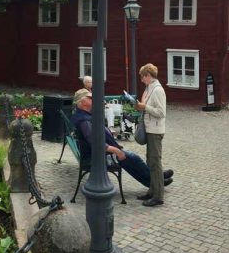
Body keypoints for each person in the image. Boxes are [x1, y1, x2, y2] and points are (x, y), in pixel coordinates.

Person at [70, 88, 172, 196]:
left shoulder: (83, 115)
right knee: (132, 158)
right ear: (83, 102)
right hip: (96, 157)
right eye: (90, 98)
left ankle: (156, 179)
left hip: (95, 153)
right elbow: (95, 143)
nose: (93, 100)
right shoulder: (84, 121)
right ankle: (156, 181)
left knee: (132, 159)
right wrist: (117, 151)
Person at [136, 63, 168, 206]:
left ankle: (158, 196)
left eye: (143, 77)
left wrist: (145, 107)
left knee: (155, 162)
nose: (142, 80)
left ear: (148, 76)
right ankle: (152, 191)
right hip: (150, 129)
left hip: (155, 131)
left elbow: (161, 112)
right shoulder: (150, 88)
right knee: (150, 161)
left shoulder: (158, 90)